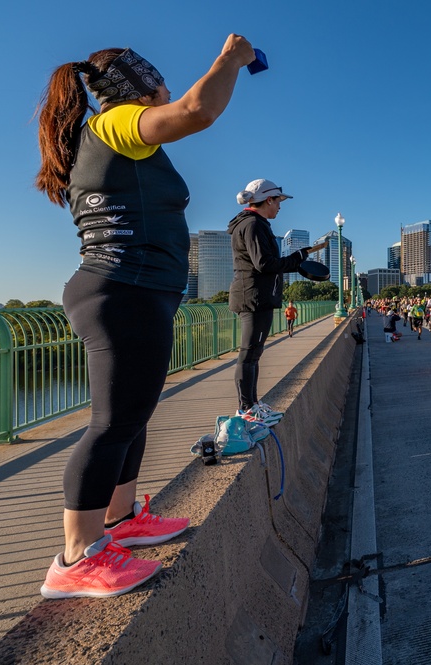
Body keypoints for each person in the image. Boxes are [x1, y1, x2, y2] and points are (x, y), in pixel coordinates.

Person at [34, 35, 255, 599]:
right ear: (137, 86)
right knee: (112, 421)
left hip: (140, 292)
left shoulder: (122, 136)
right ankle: (75, 557)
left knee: (133, 413)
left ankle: (121, 519)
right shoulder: (114, 124)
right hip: (119, 290)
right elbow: (195, 112)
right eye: (159, 80)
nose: (167, 88)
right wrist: (231, 59)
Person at [229, 179, 308, 425]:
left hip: (256, 295)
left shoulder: (255, 224)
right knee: (249, 354)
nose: (280, 208)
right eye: (279, 202)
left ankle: (252, 404)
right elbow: (263, 264)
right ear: (268, 199)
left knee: (253, 354)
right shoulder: (253, 224)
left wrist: (297, 258)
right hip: (254, 297)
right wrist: (296, 259)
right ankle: (245, 408)